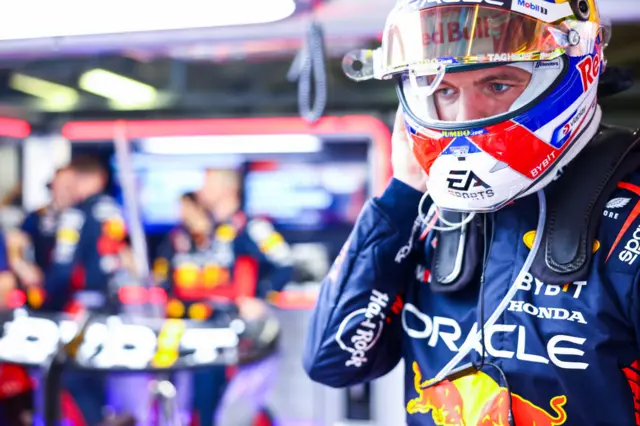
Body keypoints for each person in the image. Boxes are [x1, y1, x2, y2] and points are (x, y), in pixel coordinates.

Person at [303, 1, 640, 425]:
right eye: (443, 91)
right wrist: (402, 195)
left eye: (498, 85)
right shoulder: (423, 215)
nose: (465, 118)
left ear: (577, 69)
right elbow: (336, 363)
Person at [153, 168, 293, 426]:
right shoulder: (200, 230)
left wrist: (260, 298)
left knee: (235, 407)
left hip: (236, 332)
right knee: (200, 403)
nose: (201, 191)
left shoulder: (251, 227)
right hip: (199, 330)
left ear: (227, 190)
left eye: (208, 185)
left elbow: (284, 262)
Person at [43, 155, 129, 426]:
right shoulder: (115, 212)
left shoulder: (75, 215)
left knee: (72, 378)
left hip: (79, 311)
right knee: (99, 380)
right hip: (113, 308)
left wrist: (46, 302)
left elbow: (63, 267)